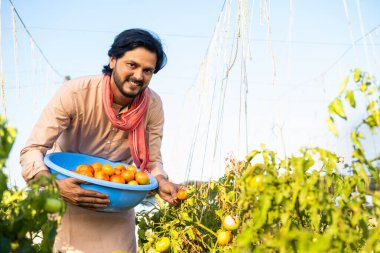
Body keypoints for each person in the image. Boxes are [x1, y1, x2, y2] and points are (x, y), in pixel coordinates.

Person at [20, 28, 180, 253]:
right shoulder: (76, 92)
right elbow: (33, 149)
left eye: (148, 70)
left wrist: (161, 181)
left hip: (117, 210)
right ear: (113, 60)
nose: (138, 76)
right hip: (68, 201)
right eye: (132, 65)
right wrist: (54, 187)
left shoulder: (153, 106)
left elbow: (152, 162)